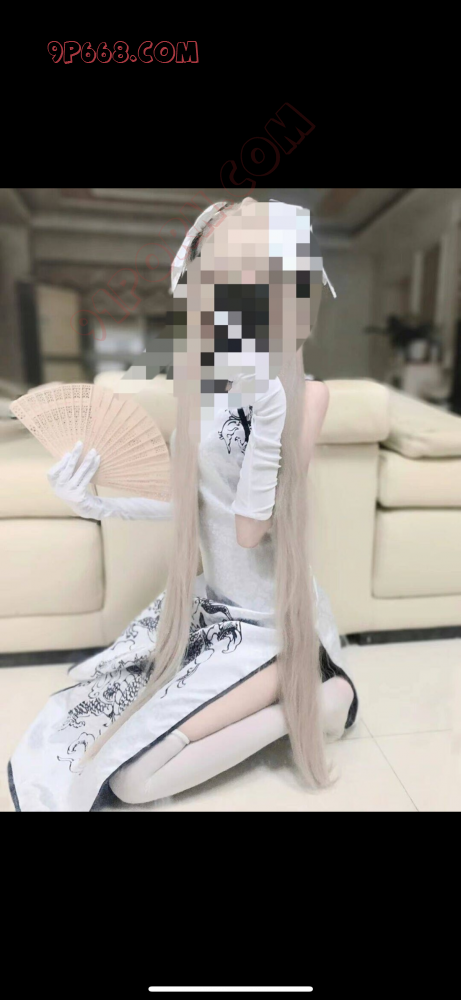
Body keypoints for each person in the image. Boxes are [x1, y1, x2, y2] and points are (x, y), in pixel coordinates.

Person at [8, 197, 358, 812]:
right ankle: (303, 698)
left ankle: (310, 697)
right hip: (208, 610)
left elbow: (250, 530)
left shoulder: (307, 396)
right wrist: (99, 505)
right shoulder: (208, 393)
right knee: (88, 714)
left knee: (133, 781)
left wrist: (269, 417)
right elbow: (194, 510)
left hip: (270, 627)